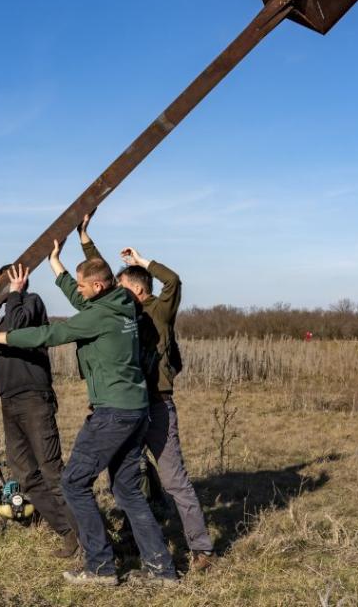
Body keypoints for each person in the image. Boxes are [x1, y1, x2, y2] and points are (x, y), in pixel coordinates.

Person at [0, 240, 177, 587]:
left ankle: (100, 566)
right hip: (136, 409)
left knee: (73, 482)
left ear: (98, 286)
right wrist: (56, 263)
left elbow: (52, 333)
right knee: (127, 491)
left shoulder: (99, 317)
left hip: (113, 411)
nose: (78, 292)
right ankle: (162, 570)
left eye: (82, 285)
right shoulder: (123, 301)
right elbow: (81, 299)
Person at [78, 212, 215, 572]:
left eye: (124, 288)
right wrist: (85, 239)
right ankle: (132, 540)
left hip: (157, 406)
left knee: (174, 481)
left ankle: (201, 548)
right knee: (124, 478)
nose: (116, 294)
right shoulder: (124, 314)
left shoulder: (158, 310)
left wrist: (142, 261)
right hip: (128, 408)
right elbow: (101, 279)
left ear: (138, 290)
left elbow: (173, 281)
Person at [0, 263, 79, 558]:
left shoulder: (31, 304)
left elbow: (17, 328)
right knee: (24, 472)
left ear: (20, 280)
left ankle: (88, 536)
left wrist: (16, 293)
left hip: (34, 398)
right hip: (9, 401)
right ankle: (68, 531)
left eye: (9, 281)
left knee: (52, 471)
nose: (5, 287)